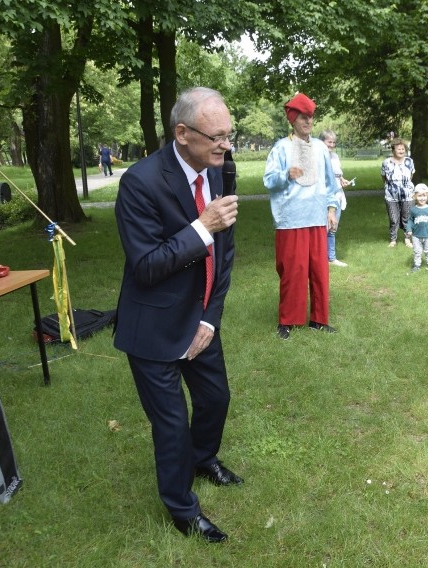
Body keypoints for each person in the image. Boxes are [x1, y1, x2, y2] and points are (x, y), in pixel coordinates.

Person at [114, 87, 240, 543]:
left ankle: (203, 458)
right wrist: (201, 226)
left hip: (200, 318)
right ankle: (183, 510)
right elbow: (146, 266)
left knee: (215, 400)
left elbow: (225, 255)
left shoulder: (220, 169)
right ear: (182, 133)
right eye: (217, 137)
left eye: (230, 135)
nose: (226, 146)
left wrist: (210, 319)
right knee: (170, 425)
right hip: (152, 326)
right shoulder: (140, 182)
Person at [264, 93, 340, 340]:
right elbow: (269, 180)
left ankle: (319, 319)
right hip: (291, 219)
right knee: (293, 271)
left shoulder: (320, 147)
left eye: (310, 117)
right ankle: (288, 320)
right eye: (303, 117)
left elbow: (330, 182)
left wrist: (331, 209)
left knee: (319, 271)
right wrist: (286, 174)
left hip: (317, 217)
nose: (308, 121)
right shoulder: (281, 148)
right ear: (293, 120)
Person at [320, 130, 351, 268]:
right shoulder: (319, 157)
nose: (332, 145)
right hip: (326, 196)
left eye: (333, 142)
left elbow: (338, 175)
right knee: (323, 228)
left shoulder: (335, 157)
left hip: (338, 195)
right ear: (322, 142)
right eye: (329, 142)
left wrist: (343, 180)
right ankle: (319, 258)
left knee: (333, 228)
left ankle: (331, 258)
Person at [381, 138, 415, 247]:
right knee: (393, 218)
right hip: (391, 194)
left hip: (408, 195)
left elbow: (411, 176)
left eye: (403, 149)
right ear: (393, 150)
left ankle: (407, 239)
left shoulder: (409, 161)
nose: (401, 151)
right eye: (398, 149)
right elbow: (383, 177)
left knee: (407, 218)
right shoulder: (386, 162)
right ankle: (393, 239)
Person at [406, 183, 428, 272]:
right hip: (416, 235)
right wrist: (409, 229)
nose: (422, 198)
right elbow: (409, 220)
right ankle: (417, 265)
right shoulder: (413, 209)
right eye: (419, 196)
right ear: (415, 197)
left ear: (427, 196)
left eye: (424, 196)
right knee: (417, 251)